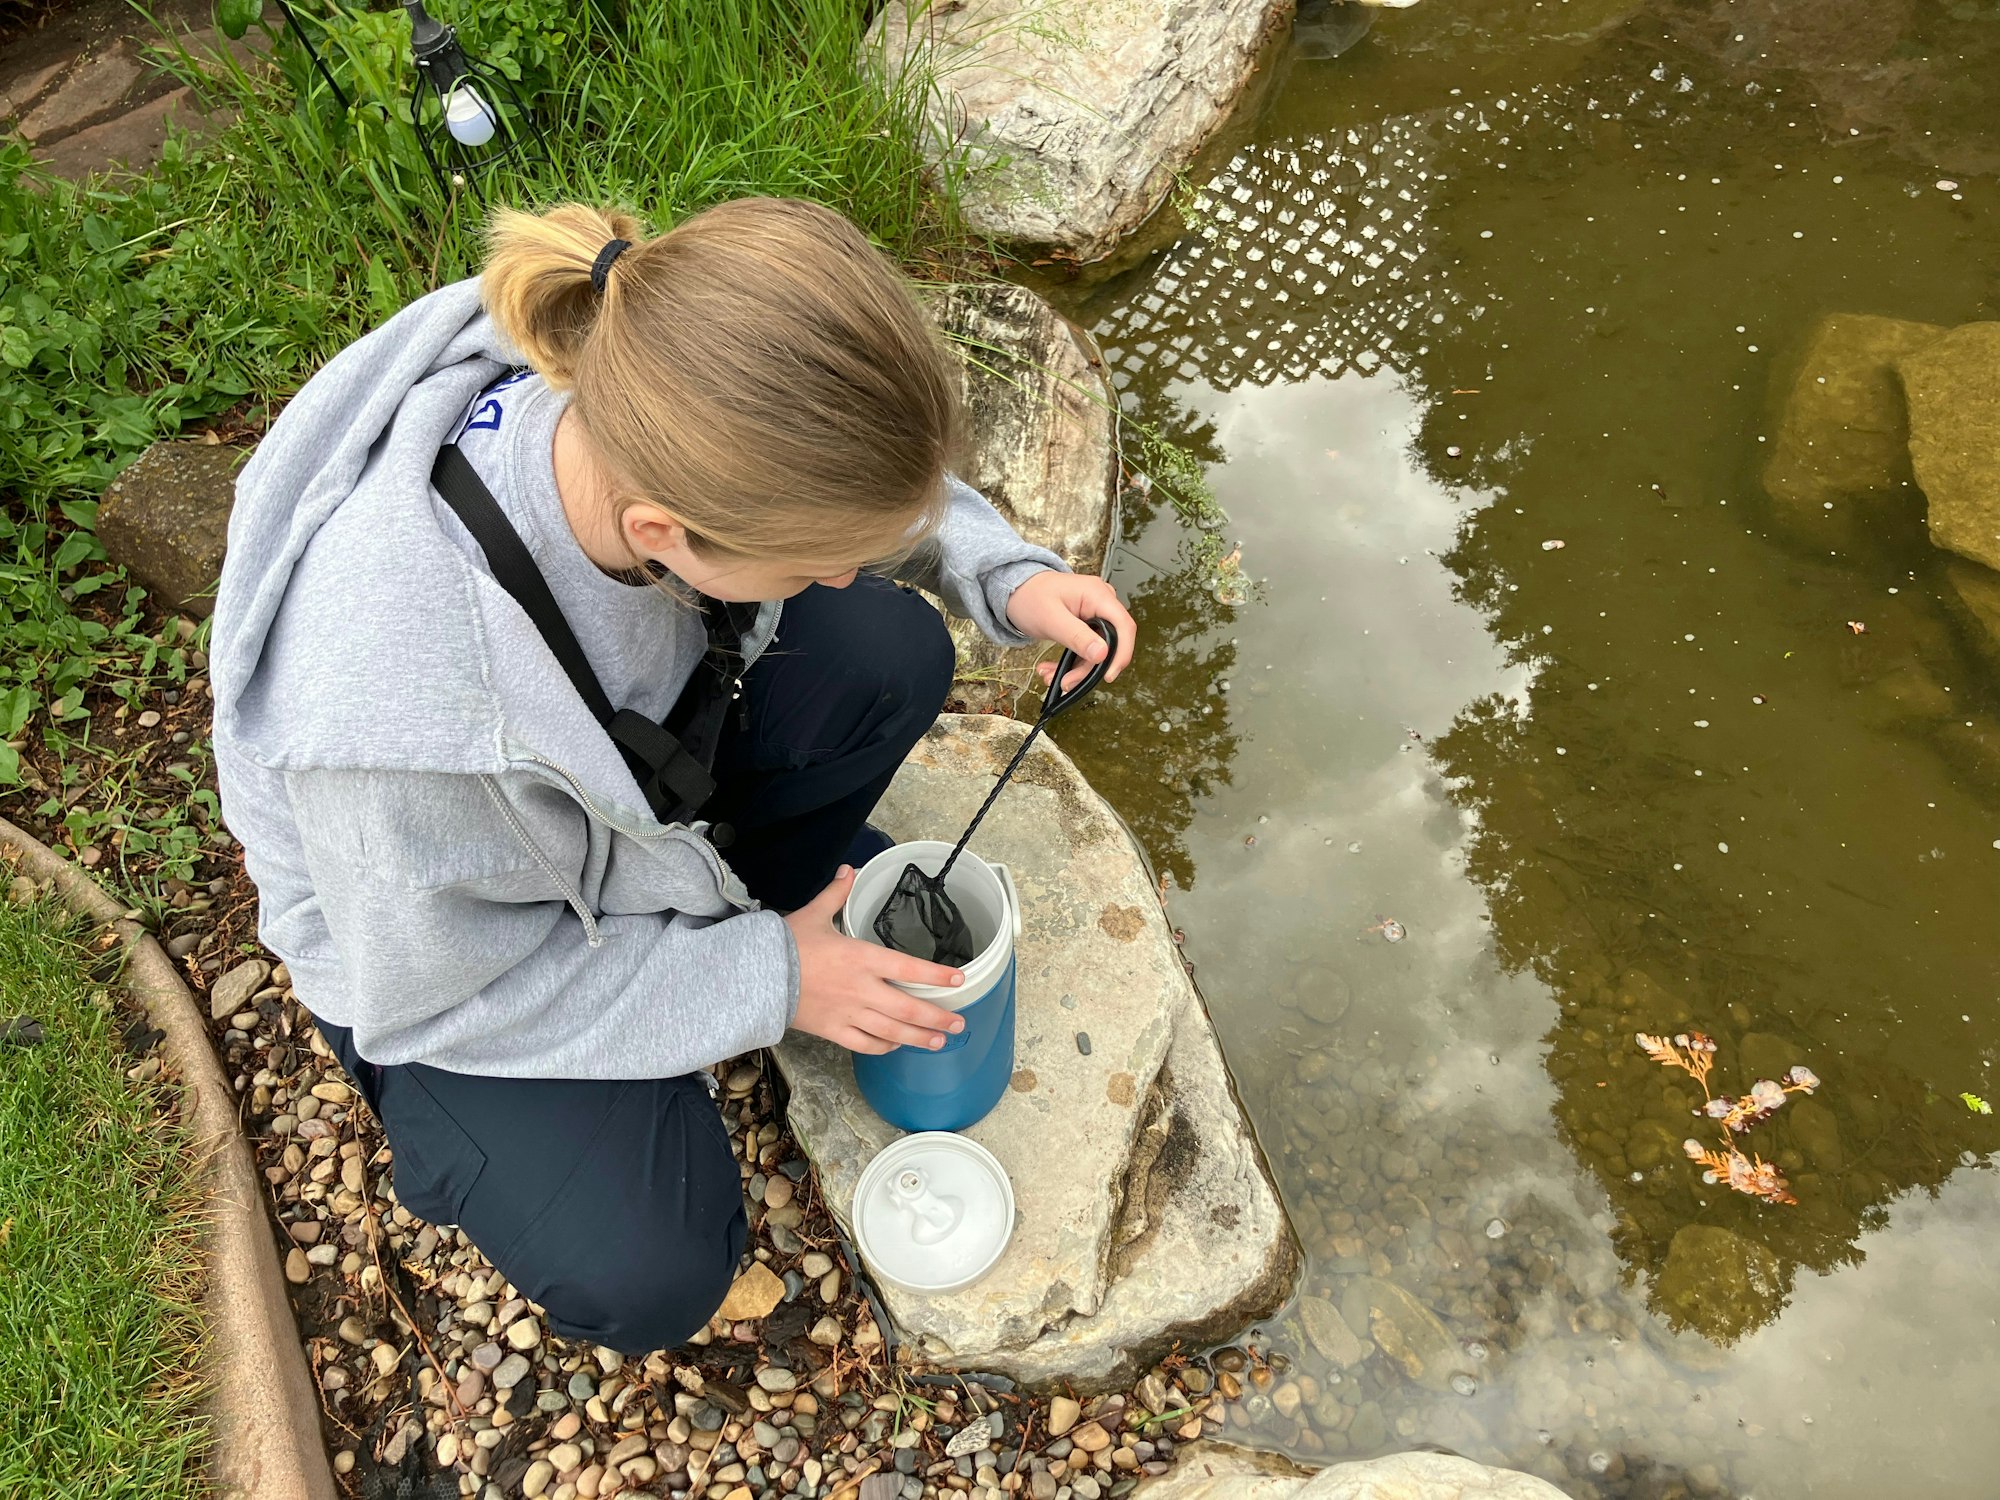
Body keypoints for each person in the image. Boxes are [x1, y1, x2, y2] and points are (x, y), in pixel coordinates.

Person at [210, 197, 1137, 1353]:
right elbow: (444, 994)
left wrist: (1003, 574)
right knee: (651, 1263)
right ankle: (505, 1119)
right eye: (817, 561)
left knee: (887, 647)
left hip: (601, 777)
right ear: (662, 534)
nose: (848, 571)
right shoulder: (409, 720)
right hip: (441, 968)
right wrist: (765, 982)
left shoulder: (636, 353)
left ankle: (741, 907)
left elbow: (837, 470)